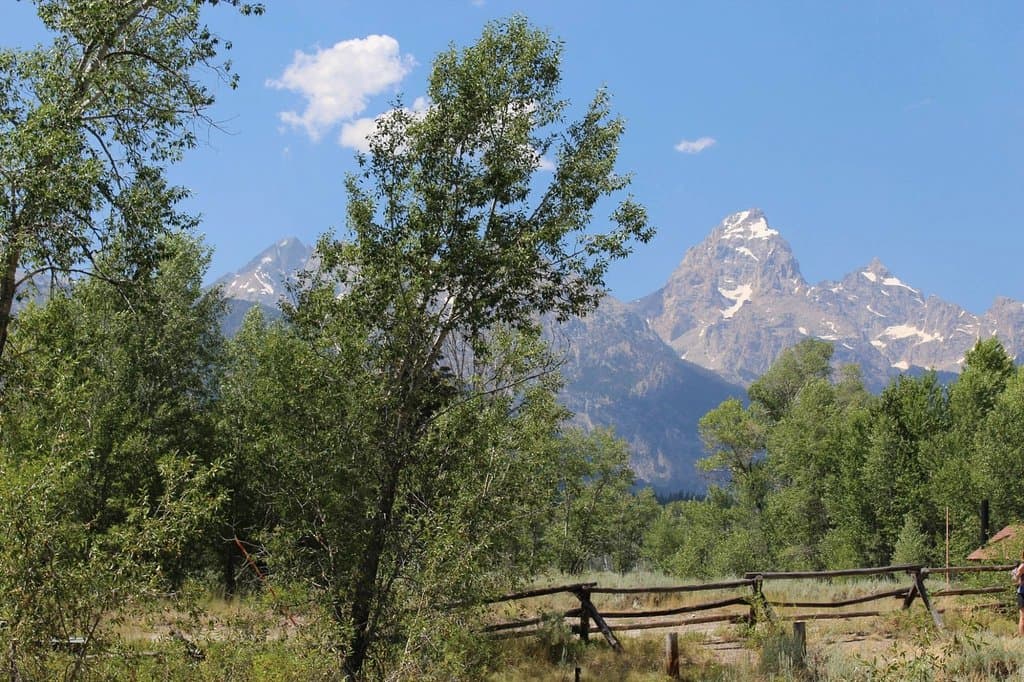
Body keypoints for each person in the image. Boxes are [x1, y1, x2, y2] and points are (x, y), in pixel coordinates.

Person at [1014, 551, 1024, 636]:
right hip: (1022, 593)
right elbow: (1015, 579)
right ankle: (1022, 637)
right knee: (1023, 616)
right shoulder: (1022, 566)